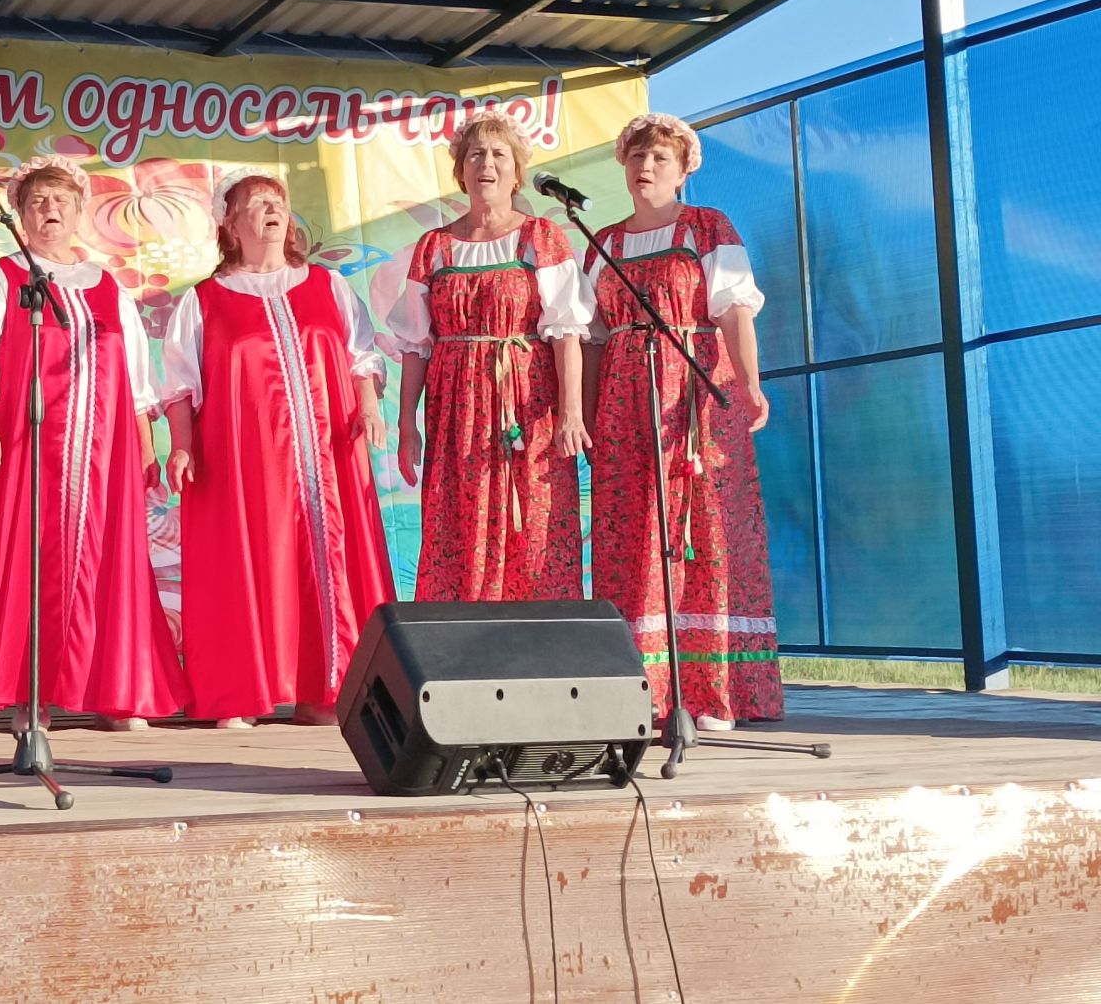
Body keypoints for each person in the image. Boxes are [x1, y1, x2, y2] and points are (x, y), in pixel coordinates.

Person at [0, 156, 189, 731]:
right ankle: (28, 698)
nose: (49, 210)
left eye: (60, 201)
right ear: (19, 214)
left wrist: (144, 445)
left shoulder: (106, 284)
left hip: (102, 451)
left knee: (112, 562)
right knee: (25, 560)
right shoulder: (0, 275)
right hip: (25, 443)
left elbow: (135, 375)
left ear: (80, 211)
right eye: (37, 202)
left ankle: (116, 691)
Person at [161, 169, 394, 728]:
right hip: (243, 461)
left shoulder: (326, 285)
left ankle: (327, 689)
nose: (270, 209)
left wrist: (368, 408)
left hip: (328, 459)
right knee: (251, 561)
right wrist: (182, 447)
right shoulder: (205, 301)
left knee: (329, 562)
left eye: (276, 202)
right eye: (255, 202)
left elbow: (361, 355)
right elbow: (181, 385)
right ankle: (241, 693)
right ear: (230, 223)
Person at [582, 112, 783, 730]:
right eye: (637, 158)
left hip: (693, 388)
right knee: (634, 525)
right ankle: (642, 686)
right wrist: (587, 414)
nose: (646, 169)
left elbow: (733, 312)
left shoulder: (707, 226)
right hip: (624, 394)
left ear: (683, 168)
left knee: (704, 522)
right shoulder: (605, 243)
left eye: (659, 159)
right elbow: (591, 337)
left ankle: (711, 687)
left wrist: (748, 382)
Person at [391, 111, 592, 603]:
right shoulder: (433, 247)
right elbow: (417, 343)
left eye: (499, 154)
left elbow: (567, 331)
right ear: (460, 171)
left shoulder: (540, 236)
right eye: (475, 154)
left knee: (532, 509)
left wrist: (570, 413)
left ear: (518, 171)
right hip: (455, 407)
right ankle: (462, 640)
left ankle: (535, 641)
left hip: (525, 401)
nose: (487, 163)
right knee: (459, 513)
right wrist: (405, 424)